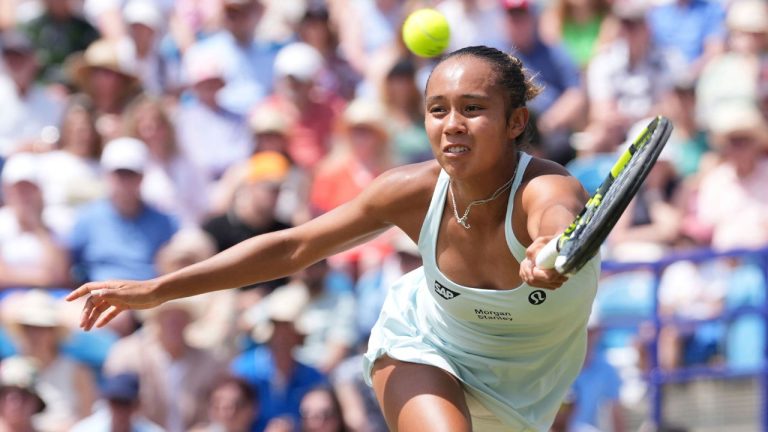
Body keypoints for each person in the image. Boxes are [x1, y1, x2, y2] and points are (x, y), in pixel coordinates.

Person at [68, 45, 600, 431]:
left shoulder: (546, 186)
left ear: (516, 122)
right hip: (427, 346)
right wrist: (159, 288)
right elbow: (294, 247)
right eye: (438, 109)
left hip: (527, 386)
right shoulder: (407, 191)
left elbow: (557, 216)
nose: (452, 124)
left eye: (473, 108)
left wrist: (551, 248)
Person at [70, 372, 164, 432]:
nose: (120, 410)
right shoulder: (86, 429)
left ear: (137, 405)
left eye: (125, 403)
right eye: (115, 402)